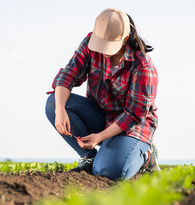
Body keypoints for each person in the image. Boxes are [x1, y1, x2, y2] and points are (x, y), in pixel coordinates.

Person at [45, 8, 160, 181]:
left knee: (109, 172)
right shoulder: (90, 43)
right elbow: (68, 75)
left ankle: (147, 156)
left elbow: (132, 115)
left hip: (130, 128)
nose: (103, 50)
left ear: (125, 39)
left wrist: (100, 136)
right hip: (101, 116)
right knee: (54, 103)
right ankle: (89, 157)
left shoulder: (142, 66)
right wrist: (60, 110)